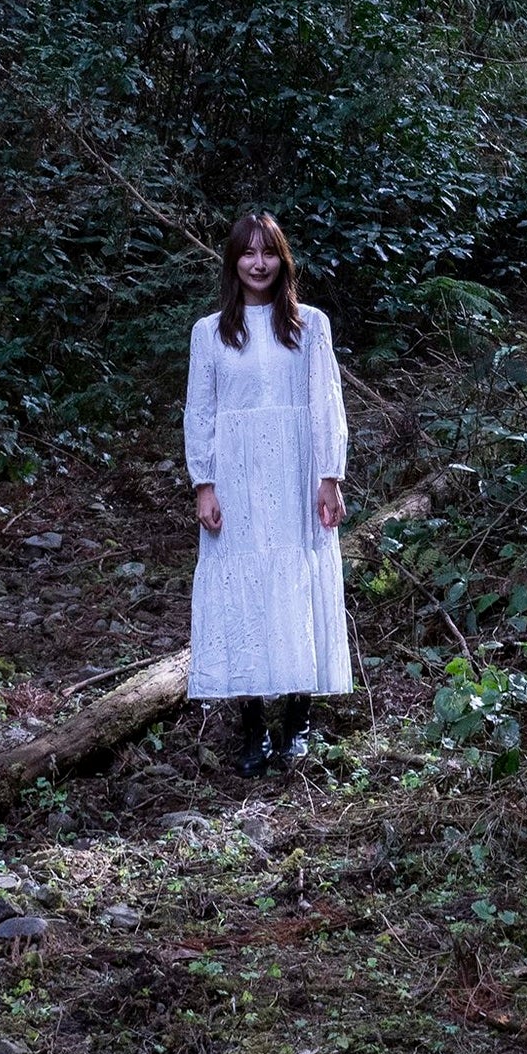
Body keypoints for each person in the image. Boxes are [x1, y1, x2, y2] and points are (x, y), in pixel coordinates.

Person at [182, 210, 352, 774]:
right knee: (244, 593)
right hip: (237, 481)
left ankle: (297, 719)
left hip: (297, 476)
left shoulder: (310, 325)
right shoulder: (209, 332)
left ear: (283, 259)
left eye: (269, 252)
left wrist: (329, 475)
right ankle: (253, 725)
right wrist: (204, 484)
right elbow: (200, 412)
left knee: (297, 583)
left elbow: (326, 402)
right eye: (248, 253)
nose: (259, 263)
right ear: (233, 260)